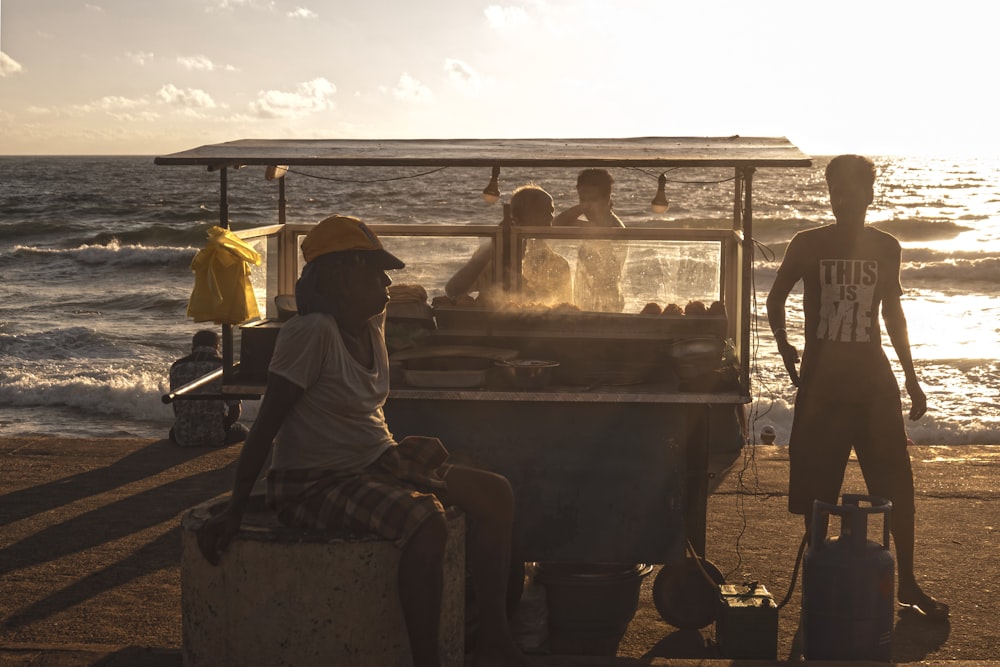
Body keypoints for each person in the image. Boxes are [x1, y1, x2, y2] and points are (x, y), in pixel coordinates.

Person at [195, 215, 527, 667]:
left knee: (496, 493)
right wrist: (236, 507)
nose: (388, 284)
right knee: (425, 520)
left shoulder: (372, 323)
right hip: (315, 481)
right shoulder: (311, 333)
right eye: (376, 272)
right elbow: (267, 423)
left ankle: (494, 638)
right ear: (344, 277)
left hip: (375, 458)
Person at [766, 154, 948, 620]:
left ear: (870, 194)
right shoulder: (807, 243)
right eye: (836, 192)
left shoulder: (886, 247)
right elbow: (775, 297)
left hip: (873, 387)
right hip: (821, 389)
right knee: (816, 493)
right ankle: (818, 581)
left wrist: (911, 378)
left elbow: (893, 315)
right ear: (829, 195)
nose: (843, 200)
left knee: (896, 488)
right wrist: (785, 346)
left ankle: (906, 582)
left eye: (853, 191)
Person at [445, 184, 572, 305]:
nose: (550, 217)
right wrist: (493, 247)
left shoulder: (558, 263)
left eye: (551, 211)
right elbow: (453, 290)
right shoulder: (489, 256)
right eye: (542, 211)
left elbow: (565, 308)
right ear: (517, 218)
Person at [553, 168, 627, 312]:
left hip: (606, 305)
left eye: (592, 199)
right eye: (582, 199)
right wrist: (582, 207)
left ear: (607, 198)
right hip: (587, 303)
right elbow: (556, 224)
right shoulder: (593, 225)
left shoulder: (612, 228)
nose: (586, 205)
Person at [168, 330, 249, 447]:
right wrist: (223, 426)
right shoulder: (224, 367)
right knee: (244, 432)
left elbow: (177, 408)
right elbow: (235, 411)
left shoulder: (177, 366)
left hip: (183, 436)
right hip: (216, 435)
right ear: (217, 346)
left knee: (173, 431)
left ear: (193, 346)